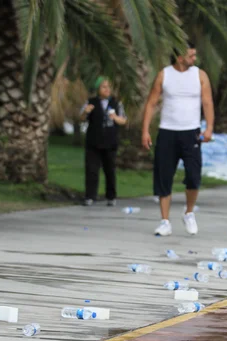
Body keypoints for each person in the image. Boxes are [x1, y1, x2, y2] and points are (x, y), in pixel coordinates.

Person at [141, 42, 214, 236]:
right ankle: (164, 221)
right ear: (180, 57)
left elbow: (207, 102)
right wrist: (145, 131)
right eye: (191, 55)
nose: (194, 59)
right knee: (164, 176)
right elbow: (151, 103)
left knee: (193, 175)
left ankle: (189, 212)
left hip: (191, 132)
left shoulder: (200, 75)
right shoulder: (164, 75)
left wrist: (209, 129)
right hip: (167, 132)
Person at [80, 77, 127, 206]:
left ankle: (111, 196)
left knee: (110, 170)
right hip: (93, 141)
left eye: (108, 87)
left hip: (110, 142)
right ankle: (90, 196)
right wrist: (85, 112)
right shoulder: (91, 102)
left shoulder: (116, 103)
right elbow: (82, 118)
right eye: (104, 87)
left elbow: (123, 120)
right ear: (98, 89)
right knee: (91, 170)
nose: (107, 90)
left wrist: (115, 117)